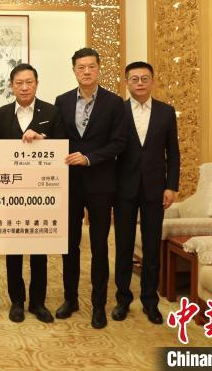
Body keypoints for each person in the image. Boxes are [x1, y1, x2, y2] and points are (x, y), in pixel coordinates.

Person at [54, 47, 126, 329]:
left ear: (99, 68)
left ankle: (98, 305)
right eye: (81, 67)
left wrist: (89, 158)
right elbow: (58, 138)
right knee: (69, 244)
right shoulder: (61, 101)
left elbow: (119, 143)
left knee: (99, 246)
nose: (86, 71)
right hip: (70, 184)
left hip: (100, 183)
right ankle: (70, 299)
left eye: (91, 66)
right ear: (73, 70)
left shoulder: (114, 102)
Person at [112, 61, 179, 325]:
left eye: (144, 78)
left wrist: (171, 186)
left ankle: (150, 302)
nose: (139, 83)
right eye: (134, 79)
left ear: (152, 81)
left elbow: (173, 152)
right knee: (123, 247)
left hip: (155, 189)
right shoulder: (117, 111)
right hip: (123, 188)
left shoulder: (166, 112)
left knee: (152, 248)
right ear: (126, 82)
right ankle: (122, 299)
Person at [0, 63, 61, 324]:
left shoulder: (52, 112)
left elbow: (63, 146)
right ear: (11, 86)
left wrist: (45, 141)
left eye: (29, 82)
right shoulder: (0, 115)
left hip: (42, 193)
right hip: (10, 193)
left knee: (39, 250)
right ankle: (17, 302)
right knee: (14, 250)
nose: (24, 87)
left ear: (36, 84)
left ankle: (38, 302)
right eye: (19, 83)